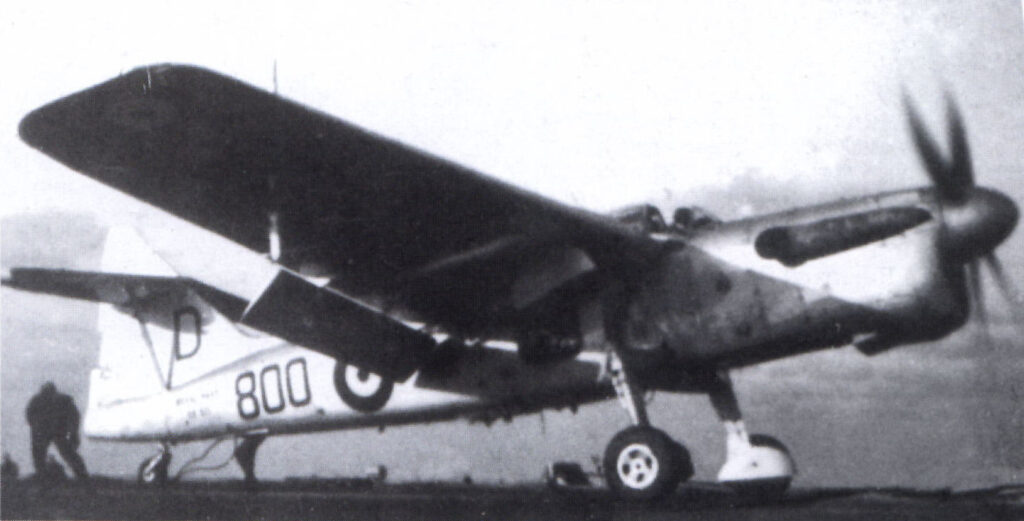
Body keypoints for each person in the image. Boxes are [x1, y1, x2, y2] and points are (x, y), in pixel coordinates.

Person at [25, 382, 88, 480]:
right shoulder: (38, 401)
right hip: (45, 431)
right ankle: (41, 474)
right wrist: (36, 427)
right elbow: (30, 415)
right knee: (39, 453)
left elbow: (74, 416)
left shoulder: (63, 401)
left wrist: (73, 432)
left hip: (57, 431)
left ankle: (81, 474)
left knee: (66, 452)